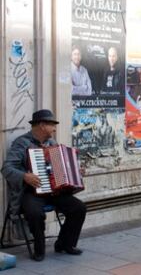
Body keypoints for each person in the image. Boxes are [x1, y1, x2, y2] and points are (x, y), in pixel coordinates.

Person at [1, 109, 87, 262]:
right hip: (31, 192)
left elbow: (61, 168)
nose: (54, 129)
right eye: (52, 125)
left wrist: (75, 170)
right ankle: (39, 248)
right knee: (35, 213)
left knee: (79, 208)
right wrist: (25, 176)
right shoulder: (22, 143)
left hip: (54, 191)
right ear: (41, 125)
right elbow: (6, 169)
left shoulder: (52, 144)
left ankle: (64, 244)